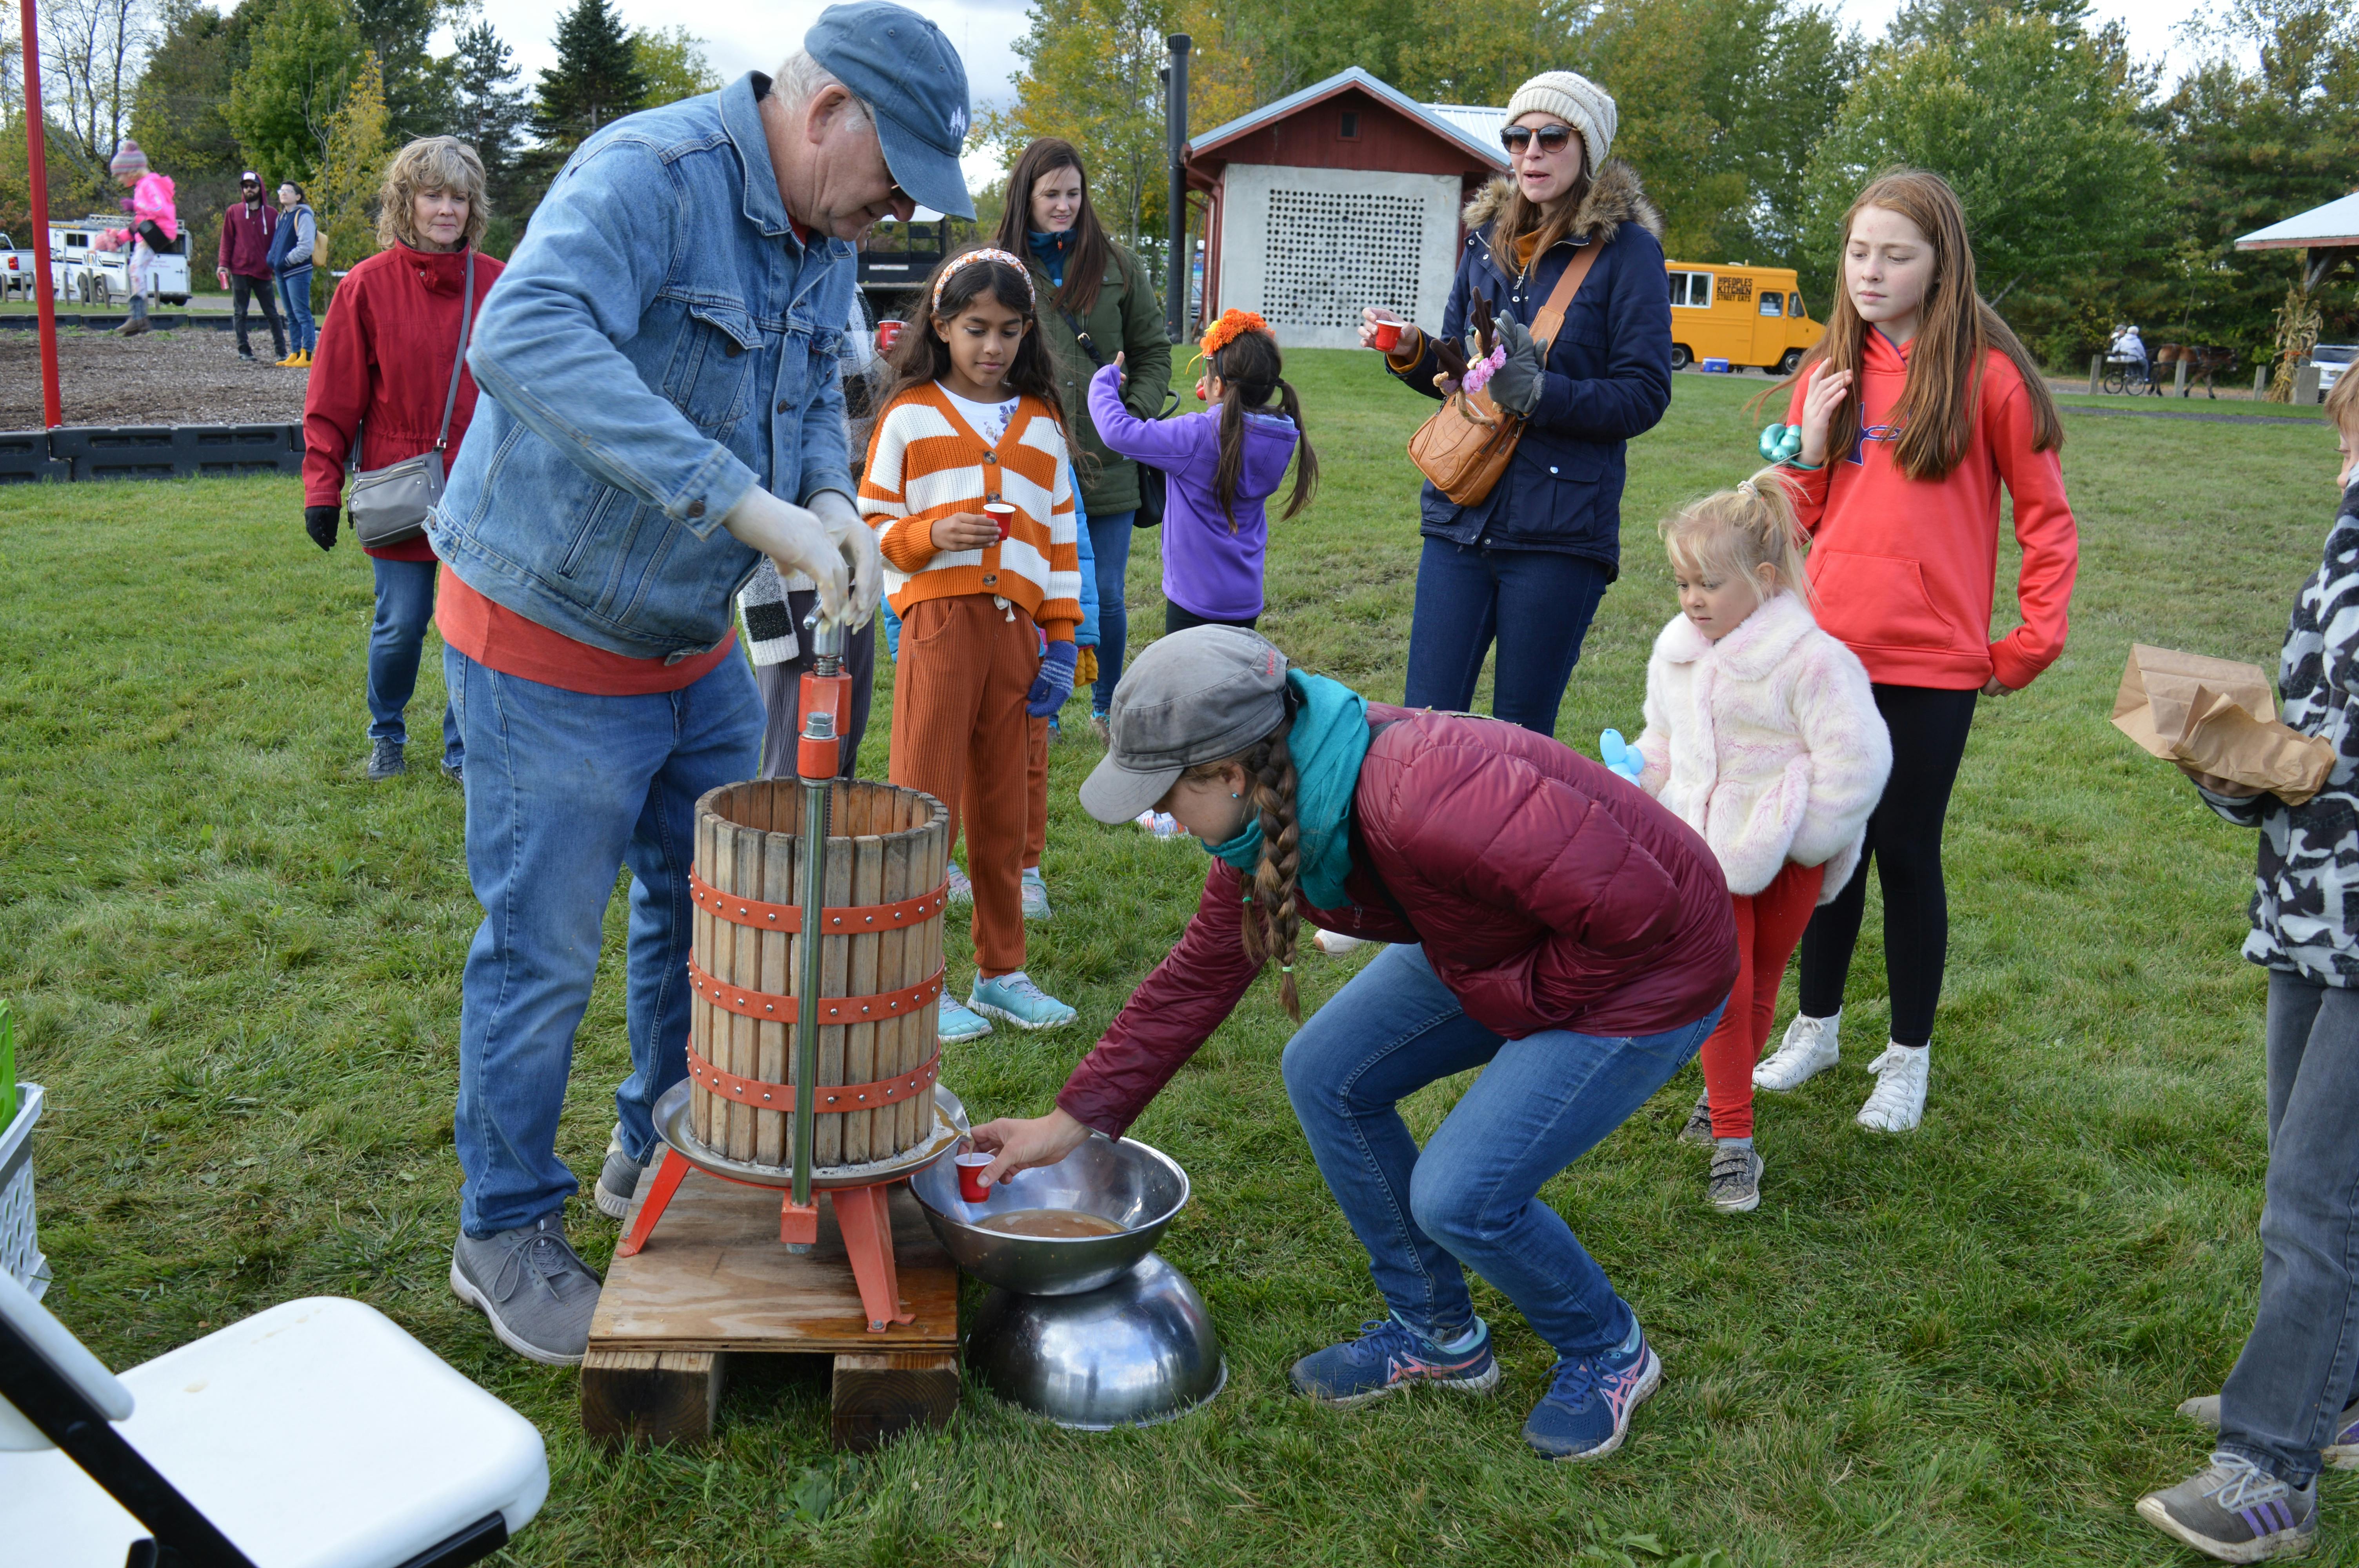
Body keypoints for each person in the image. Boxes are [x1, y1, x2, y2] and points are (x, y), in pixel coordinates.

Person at [426, 7, 955, 1364]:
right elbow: (524, 336)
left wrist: (831, 503)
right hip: (543, 630)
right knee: (543, 950)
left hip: (687, 643)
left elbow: (798, 406)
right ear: (826, 105)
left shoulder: (822, 239)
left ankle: (655, 1134)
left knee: (719, 902)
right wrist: (739, 504)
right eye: (892, 174)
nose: (893, 210)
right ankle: (503, 1231)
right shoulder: (648, 175)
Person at [973, 627, 1739, 1462]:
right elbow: (1199, 975)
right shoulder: (1263, 817)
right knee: (1323, 1070)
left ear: (1228, 773)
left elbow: (1644, 909)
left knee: (1459, 1196)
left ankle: (1606, 1348)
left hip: (1650, 966)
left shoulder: (1420, 796)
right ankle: (1437, 1332)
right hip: (1501, 947)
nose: (1157, 814)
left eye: (1164, 792)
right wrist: (1069, 1120)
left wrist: (1512, 1003)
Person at [1748, 169, 2077, 1134]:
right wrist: (1805, 448)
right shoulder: (1827, 373)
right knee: (1825, 847)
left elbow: (2048, 523)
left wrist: (2027, 643)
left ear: (1941, 266)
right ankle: (1815, 1028)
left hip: (1933, 668)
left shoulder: (1992, 378)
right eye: (1858, 252)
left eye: (1895, 254)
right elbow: (1790, 519)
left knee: (1902, 850)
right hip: (1829, 656)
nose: (1870, 270)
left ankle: (1907, 1058)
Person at [2133, 369, 2359, 1564]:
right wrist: (2233, 766)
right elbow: (2317, 732)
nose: (2344, 472)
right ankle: (2334, 1390)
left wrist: (2305, 770)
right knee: (2308, 1169)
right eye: (2344, 447)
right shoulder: (2344, 551)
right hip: (2315, 911)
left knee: (2317, 1200)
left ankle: (2273, 1464)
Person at [1361, 71, 1671, 738]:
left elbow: (1644, 395)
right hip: (1460, 514)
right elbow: (1461, 370)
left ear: (1584, 148)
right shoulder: (1483, 240)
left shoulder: (1629, 253)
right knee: (1424, 728)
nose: (1532, 151)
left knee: (1519, 743)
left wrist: (1539, 393)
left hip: (1559, 535)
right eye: (1518, 136)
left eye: (1551, 136)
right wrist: (1413, 351)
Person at [1619, 470, 1889, 1213]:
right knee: (1724, 989)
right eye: (1681, 583)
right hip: (1703, 854)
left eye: (1707, 583)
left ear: (1765, 580)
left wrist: (1799, 839)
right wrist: (1639, 770)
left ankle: (1718, 1098)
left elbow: (1858, 764)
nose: (1691, 600)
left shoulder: (1814, 662)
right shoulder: (1678, 653)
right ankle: (1736, 1145)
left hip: (1788, 857)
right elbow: (1664, 739)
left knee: (1761, 983)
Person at [859, 247, 1083, 1040]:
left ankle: (1001, 973)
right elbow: (873, 524)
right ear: (942, 326)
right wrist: (929, 533)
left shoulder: (1042, 425)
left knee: (1002, 806)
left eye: (1010, 332)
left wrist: (1060, 641)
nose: (993, 347)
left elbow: (1058, 543)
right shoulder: (910, 414)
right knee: (924, 801)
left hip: (1017, 636)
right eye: (976, 329)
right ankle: (913, 979)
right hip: (939, 626)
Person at [302, 138, 501, 784]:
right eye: (433, 195)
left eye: (458, 197)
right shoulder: (365, 286)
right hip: (401, 484)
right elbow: (333, 399)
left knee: (474, 632)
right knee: (402, 624)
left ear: (473, 207)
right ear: (406, 203)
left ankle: (463, 749)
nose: (446, 209)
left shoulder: (501, 285)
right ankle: (386, 733)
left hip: (481, 488)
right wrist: (321, 490)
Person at [992, 137, 1171, 738]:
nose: (1064, 205)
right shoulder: (1000, 266)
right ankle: (1040, 705)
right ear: (1028, 196)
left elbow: (1152, 353)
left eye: (1074, 193)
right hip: (1024, 457)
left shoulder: (1120, 267)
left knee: (1107, 593)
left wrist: (1131, 419)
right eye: (1052, 194)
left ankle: (1106, 705)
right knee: (1026, 586)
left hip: (1106, 460)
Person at [736, 284, 887, 785]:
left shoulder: (850, 288)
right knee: (796, 755)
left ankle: (827, 858)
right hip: (788, 565)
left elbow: (854, 406)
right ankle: (788, 858)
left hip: (851, 534)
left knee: (843, 741)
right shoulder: (773, 283)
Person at [1088, 308, 1316, 636]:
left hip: (1194, 603)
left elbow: (1118, 433)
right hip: (1245, 601)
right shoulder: (1279, 433)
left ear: (1218, 385)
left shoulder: (1198, 434)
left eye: (1206, 376)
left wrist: (1103, 384)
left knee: (1190, 683)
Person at [93, 140, 177, 338]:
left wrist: (136, 206)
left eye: (119, 175)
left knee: (136, 268)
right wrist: (120, 239)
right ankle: (138, 317)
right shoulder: (142, 186)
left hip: (160, 231)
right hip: (151, 231)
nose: (119, 180)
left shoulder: (150, 184)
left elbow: (160, 209)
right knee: (135, 268)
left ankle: (139, 317)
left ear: (131, 171)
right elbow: (140, 222)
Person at [218, 169, 288, 364]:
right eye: (245, 186)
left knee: (272, 313)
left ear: (260, 188)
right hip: (239, 270)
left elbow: (279, 242)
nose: (249, 190)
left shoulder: (273, 214)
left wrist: (276, 263)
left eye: (253, 186)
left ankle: (281, 351)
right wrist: (223, 265)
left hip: (264, 271)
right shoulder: (234, 212)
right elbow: (227, 241)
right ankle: (244, 350)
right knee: (240, 312)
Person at [270, 182, 319, 368]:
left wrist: (286, 261)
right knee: (290, 315)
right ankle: (295, 352)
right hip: (283, 272)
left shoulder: (303, 216)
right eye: (281, 191)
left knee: (302, 313)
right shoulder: (282, 217)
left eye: (288, 191)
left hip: (297, 272)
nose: (283, 194)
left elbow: (306, 246)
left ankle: (307, 354)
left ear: (298, 196)